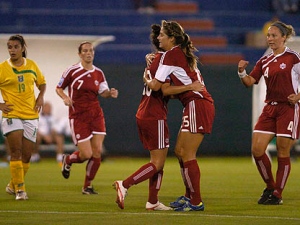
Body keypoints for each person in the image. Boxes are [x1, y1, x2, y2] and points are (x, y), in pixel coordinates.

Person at [113, 24, 203, 210]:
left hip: (144, 112)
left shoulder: (155, 60)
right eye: (160, 36)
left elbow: (159, 86)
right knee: (157, 162)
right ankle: (125, 184)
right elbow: (162, 88)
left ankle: (152, 201)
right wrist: (189, 86)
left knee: (158, 159)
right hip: (155, 115)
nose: (160, 38)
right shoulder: (165, 60)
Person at [143, 20, 215, 211]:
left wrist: (146, 77)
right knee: (180, 152)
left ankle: (196, 201)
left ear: (172, 38)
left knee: (188, 153)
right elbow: (171, 89)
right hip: (194, 103)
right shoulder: (177, 53)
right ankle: (189, 195)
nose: (158, 38)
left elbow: (160, 88)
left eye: (162, 35)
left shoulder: (170, 55)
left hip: (197, 104)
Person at [237, 21, 300, 205]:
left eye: (274, 35)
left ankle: (278, 194)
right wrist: (241, 72)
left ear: (283, 38)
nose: (270, 39)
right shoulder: (264, 61)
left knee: (282, 150)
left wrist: (298, 96)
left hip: (288, 108)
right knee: (257, 149)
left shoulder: (293, 58)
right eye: (268, 36)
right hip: (270, 108)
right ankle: (270, 186)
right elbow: (250, 82)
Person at [56, 41, 118, 195]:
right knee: (86, 154)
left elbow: (102, 92)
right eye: (85, 51)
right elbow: (59, 88)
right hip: (78, 116)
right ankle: (68, 160)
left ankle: (87, 186)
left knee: (97, 152)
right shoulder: (72, 70)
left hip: (96, 114)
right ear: (80, 54)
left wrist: (109, 93)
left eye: (91, 50)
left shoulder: (99, 73)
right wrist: (64, 97)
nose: (88, 53)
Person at [0, 34, 46, 200]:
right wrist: (0, 105)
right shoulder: (2, 68)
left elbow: (42, 83)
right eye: (9, 47)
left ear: (22, 48)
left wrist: (40, 96)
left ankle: (13, 185)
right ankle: (20, 190)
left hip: (31, 114)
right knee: (16, 151)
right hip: (11, 114)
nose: (12, 50)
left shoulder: (32, 65)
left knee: (27, 155)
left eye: (15, 47)